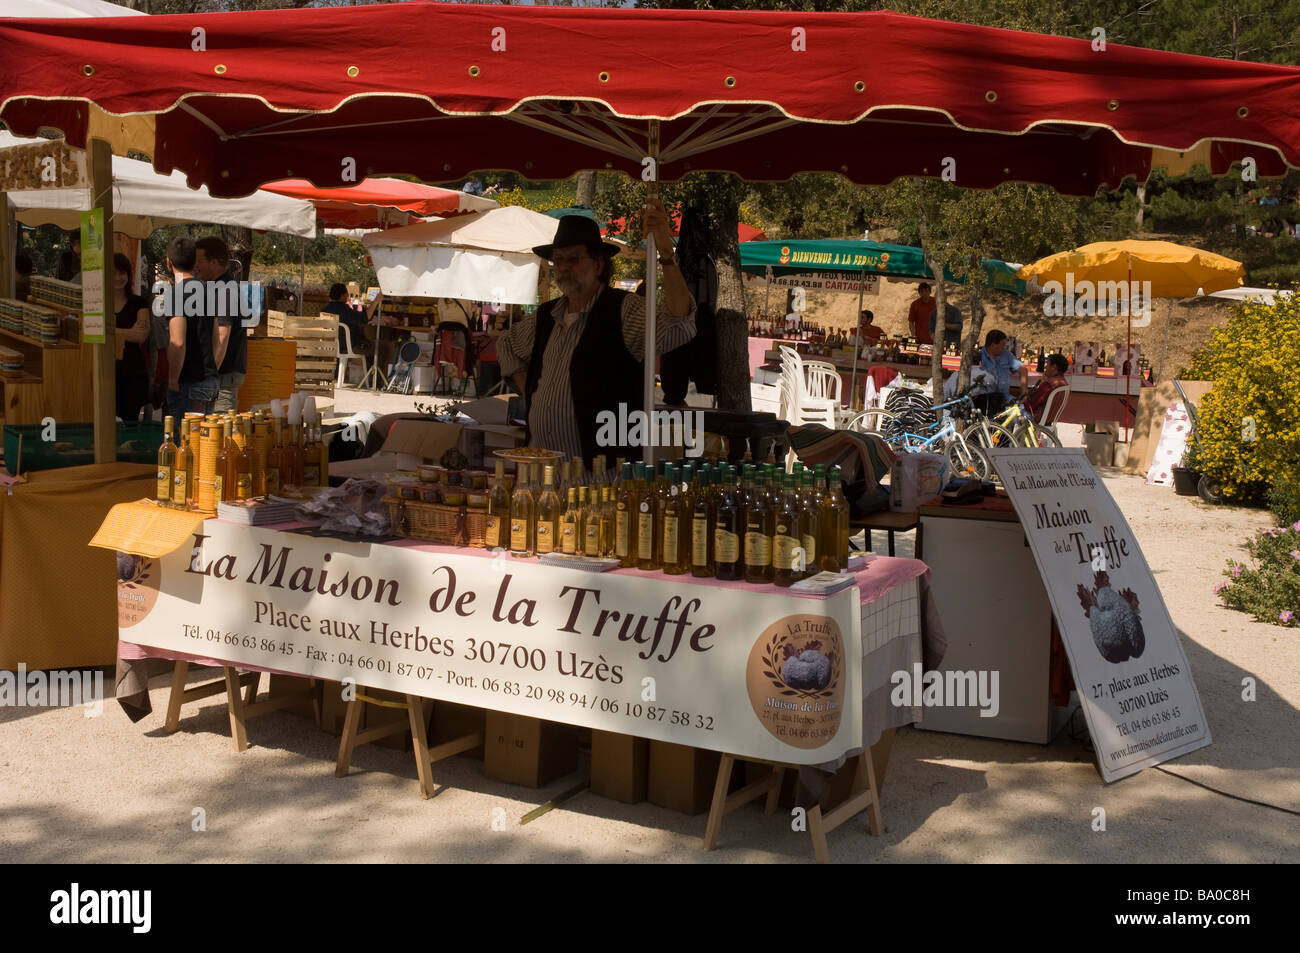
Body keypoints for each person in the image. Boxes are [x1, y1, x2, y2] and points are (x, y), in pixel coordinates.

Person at [496, 199, 696, 468]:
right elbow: (506, 343)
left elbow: (679, 322)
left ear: (599, 265)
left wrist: (666, 255)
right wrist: (527, 386)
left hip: (602, 477)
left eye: (573, 259)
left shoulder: (623, 310)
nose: (563, 267)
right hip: (543, 474)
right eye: (558, 260)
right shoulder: (546, 316)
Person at [164, 236, 220, 423]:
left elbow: (177, 342)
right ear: (195, 262)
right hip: (209, 380)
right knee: (206, 439)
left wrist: (173, 379)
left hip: (188, 382)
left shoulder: (176, 294)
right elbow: (216, 337)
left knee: (185, 439)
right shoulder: (208, 291)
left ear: (169, 262)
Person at [195, 237, 246, 413]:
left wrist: (210, 375)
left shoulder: (225, 291)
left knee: (220, 426)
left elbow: (222, 335)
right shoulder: (217, 287)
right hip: (220, 376)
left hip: (222, 378)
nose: (196, 265)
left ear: (214, 262)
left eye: (199, 261)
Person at [113, 253, 151, 422]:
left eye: (122, 273)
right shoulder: (99, 303)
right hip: (106, 374)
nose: (118, 278)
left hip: (133, 374)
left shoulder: (139, 302)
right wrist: (128, 332)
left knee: (129, 425)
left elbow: (140, 335)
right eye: (113, 273)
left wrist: (109, 331)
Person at [975, 328, 1028, 416]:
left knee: (1022, 413)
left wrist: (1024, 393)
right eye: (1002, 344)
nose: (1004, 347)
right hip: (986, 399)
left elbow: (1023, 370)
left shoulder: (1006, 354)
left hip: (1004, 398)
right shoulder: (980, 355)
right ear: (993, 345)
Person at [324, 282, 369, 359]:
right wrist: (375, 302)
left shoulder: (324, 310)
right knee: (382, 348)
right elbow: (364, 319)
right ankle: (370, 367)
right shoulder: (344, 309)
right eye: (346, 294)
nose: (347, 296)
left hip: (330, 346)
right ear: (342, 295)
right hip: (348, 346)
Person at [1024, 353, 1069, 422]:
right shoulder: (1063, 382)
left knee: (1008, 411)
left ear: (1054, 367)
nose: (1045, 366)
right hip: (1049, 419)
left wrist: (1023, 401)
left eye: (1047, 364)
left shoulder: (1048, 384)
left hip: (1035, 418)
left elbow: (1031, 405)